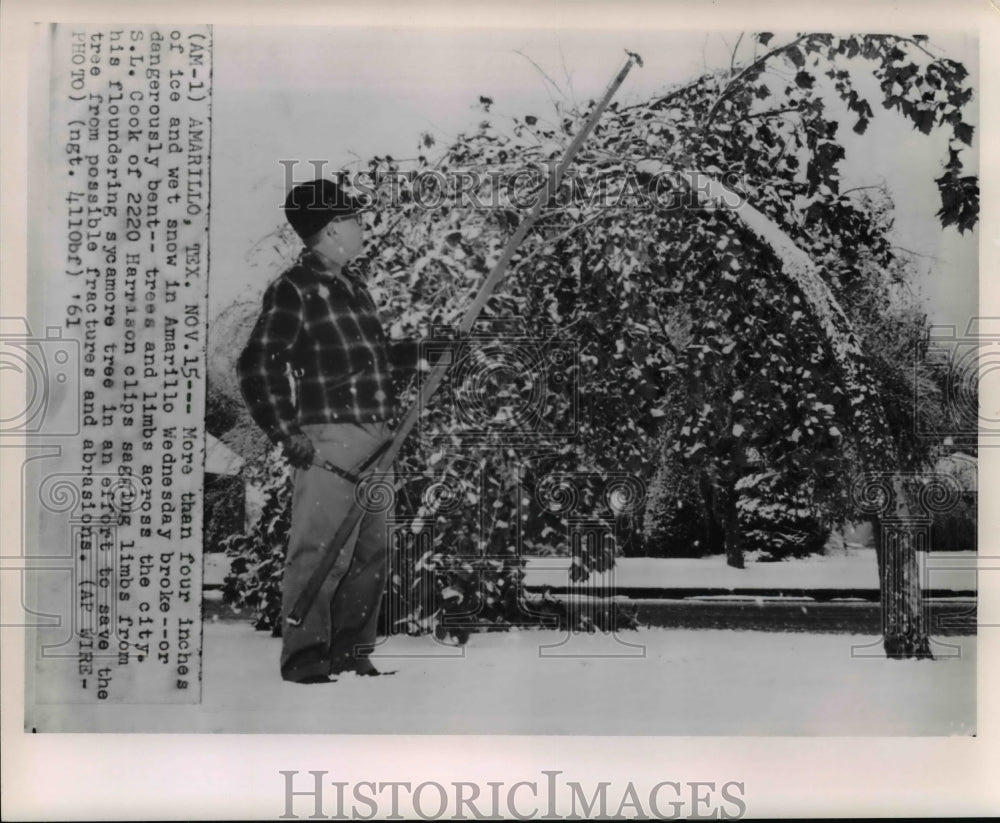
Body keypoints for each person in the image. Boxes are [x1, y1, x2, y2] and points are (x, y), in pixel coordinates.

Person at [238, 178, 419, 683]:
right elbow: (258, 364)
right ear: (333, 229)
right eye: (354, 221)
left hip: (379, 434)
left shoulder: (353, 287)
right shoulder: (294, 287)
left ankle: (350, 653)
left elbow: (373, 362)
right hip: (330, 438)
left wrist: (427, 352)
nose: (362, 229)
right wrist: (284, 432)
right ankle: (306, 658)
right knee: (320, 549)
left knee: (372, 551)